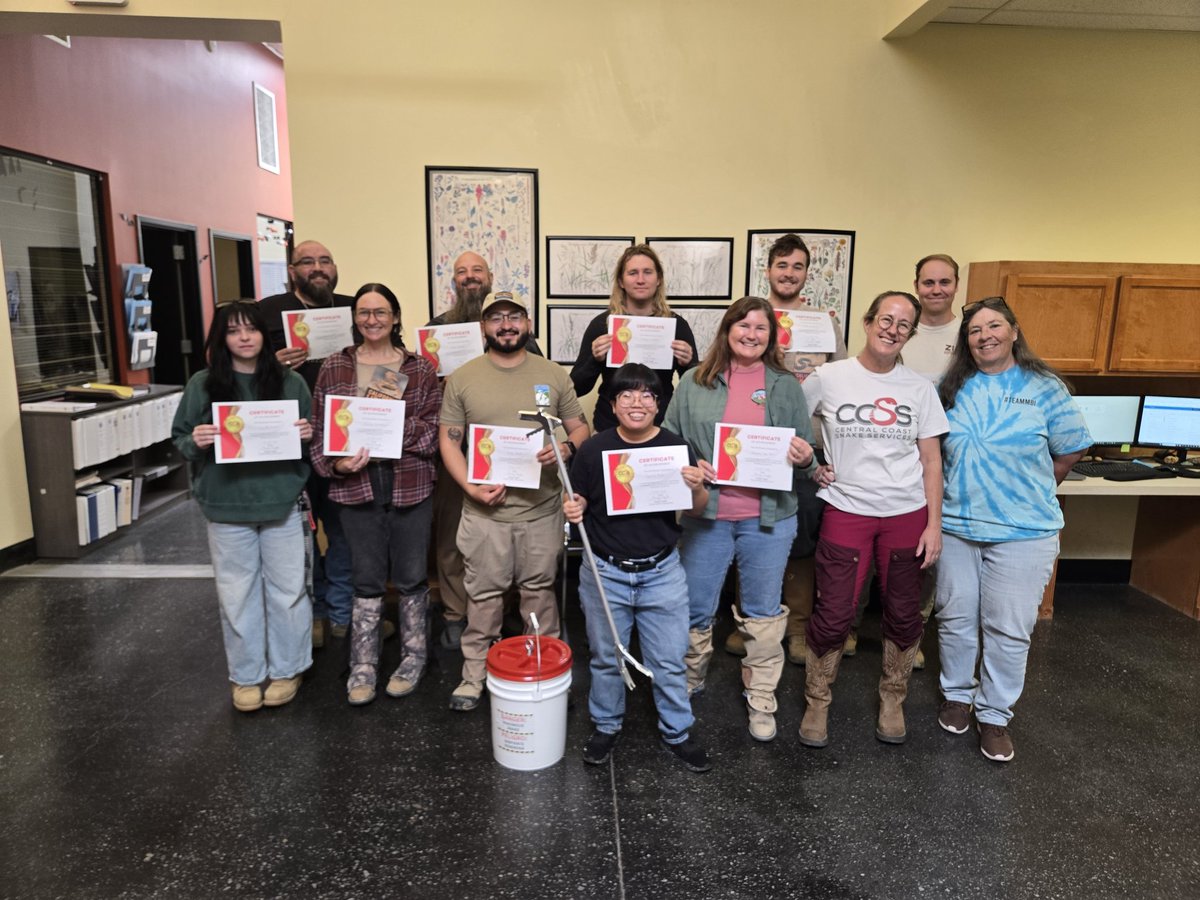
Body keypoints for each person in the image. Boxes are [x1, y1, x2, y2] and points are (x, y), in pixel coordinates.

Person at [935, 296, 1090, 763]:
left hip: (1024, 531)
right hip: (957, 525)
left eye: (994, 326)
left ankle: (995, 714)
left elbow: (1069, 451)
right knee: (955, 617)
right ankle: (957, 695)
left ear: (1014, 332)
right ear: (966, 341)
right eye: (976, 330)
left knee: (1008, 627)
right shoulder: (952, 385)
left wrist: (1027, 489)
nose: (985, 336)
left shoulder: (1045, 387)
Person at [798, 291, 948, 748]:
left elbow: (932, 461)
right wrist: (812, 466)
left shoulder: (919, 388)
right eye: (886, 319)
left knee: (903, 613)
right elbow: (792, 429)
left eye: (904, 325)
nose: (892, 329)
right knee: (835, 610)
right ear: (867, 322)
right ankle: (817, 701)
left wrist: (934, 524)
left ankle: (893, 698)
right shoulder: (827, 377)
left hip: (906, 513)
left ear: (910, 334)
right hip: (846, 509)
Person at [663, 296, 815, 742]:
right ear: (727, 330)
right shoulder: (694, 381)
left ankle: (761, 692)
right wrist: (692, 465)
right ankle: (690, 679)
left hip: (767, 518)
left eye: (761, 328)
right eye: (743, 326)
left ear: (772, 336)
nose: (751, 334)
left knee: (763, 610)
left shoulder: (785, 384)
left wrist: (804, 455)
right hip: (706, 515)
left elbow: (804, 450)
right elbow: (670, 443)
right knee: (694, 606)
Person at [439, 290, 589, 711]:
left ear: (527, 323)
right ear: (483, 327)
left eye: (514, 316)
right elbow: (449, 442)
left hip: (541, 511)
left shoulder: (554, 374)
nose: (506, 324)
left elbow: (580, 428)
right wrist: (470, 487)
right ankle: (473, 676)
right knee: (483, 598)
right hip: (484, 514)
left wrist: (566, 448)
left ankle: (544, 670)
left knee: (538, 595)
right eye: (496, 318)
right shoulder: (463, 377)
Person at [564, 363, 712, 772]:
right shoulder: (594, 450)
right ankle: (606, 726)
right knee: (606, 657)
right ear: (612, 404)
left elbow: (696, 508)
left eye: (646, 394)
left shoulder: (677, 448)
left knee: (668, 659)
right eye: (626, 394)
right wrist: (574, 507)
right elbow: (580, 501)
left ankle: (677, 731)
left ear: (658, 403)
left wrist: (697, 485)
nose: (637, 402)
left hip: (662, 572)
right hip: (605, 573)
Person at [171, 300, 313, 712]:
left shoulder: (290, 383)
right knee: (237, 594)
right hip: (226, 504)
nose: (244, 338)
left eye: (250, 330)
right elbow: (180, 438)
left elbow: (311, 443)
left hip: (281, 501)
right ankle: (247, 676)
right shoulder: (202, 384)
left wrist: (307, 433)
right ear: (222, 338)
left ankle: (287, 670)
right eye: (233, 331)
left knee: (288, 591)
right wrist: (194, 441)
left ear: (263, 337)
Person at [310, 283, 442, 705]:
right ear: (355, 318)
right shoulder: (334, 366)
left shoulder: (419, 368)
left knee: (410, 576)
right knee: (365, 579)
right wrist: (337, 464)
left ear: (396, 317)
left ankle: (413, 657)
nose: (372, 320)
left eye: (381, 312)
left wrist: (385, 424)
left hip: (410, 483)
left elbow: (432, 430)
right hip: (355, 484)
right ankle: (363, 665)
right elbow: (319, 431)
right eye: (364, 312)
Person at [724, 234, 847, 666]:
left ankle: (796, 627)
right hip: (752, 445)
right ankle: (750, 624)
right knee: (752, 529)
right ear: (769, 270)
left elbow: (838, 383)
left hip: (804, 443)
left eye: (797, 266)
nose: (788, 273)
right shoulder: (751, 319)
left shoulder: (823, 322)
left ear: (806, 273)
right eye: (781, 265)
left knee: (801, 537)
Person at [427, 250, 543, 652]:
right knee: (452, 538)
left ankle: (501, 610)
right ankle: (456, 613)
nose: (470, 277)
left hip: (510, 457)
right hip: (457, 451)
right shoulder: (436, 331)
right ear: (453, 282)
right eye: (462, 272)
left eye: (477, 270)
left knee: (506, 538)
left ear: (490, 277)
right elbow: (421, 392)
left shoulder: (519, 335)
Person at [259, 240, 355, 647]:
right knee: (299, 530)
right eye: (308, 262)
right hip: (290, 440)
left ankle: (342, 613)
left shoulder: (354, 307)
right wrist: (271, 362)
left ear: (335, 267)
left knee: (344, 529)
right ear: (292, 269)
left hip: (344, 438)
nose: (317, 268)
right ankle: (311, 613)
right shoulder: (266, 311)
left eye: (325, 260)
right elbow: (235, 365)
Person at [570, 244, 698, 432]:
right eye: (632, 273)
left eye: (647, 272)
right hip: (610, 427)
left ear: (659, 279)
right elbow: (576, 389)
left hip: (662, 427)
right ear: (621, 281)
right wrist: (594, 359)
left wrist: (689, 365)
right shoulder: (602, 325)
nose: (640, 280)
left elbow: (696, 392)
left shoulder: (676, 325)